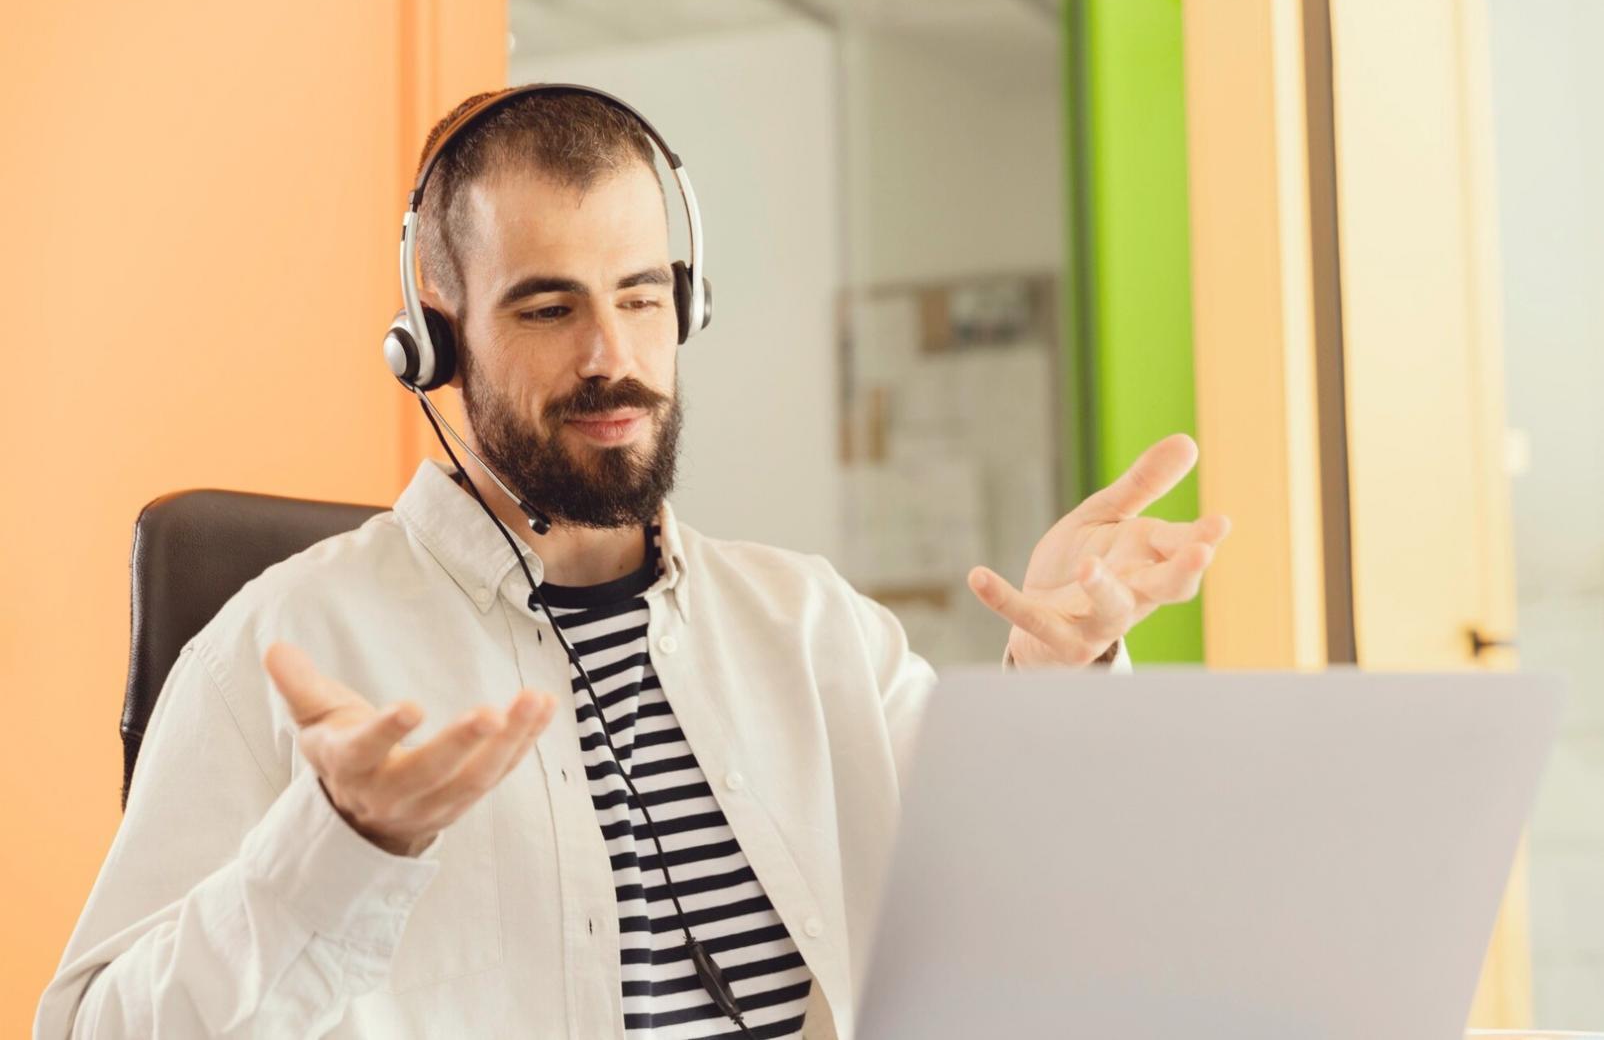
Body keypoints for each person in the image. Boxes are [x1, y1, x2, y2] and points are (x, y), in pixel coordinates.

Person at [36, 85, 1229, 1039]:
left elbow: (1020, 918)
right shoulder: (284, 645)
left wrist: (1055, 678)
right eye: (548, 308)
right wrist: (339, 844)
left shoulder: (805, 626)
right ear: (435, 338)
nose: (613, 356)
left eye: (642, 295)